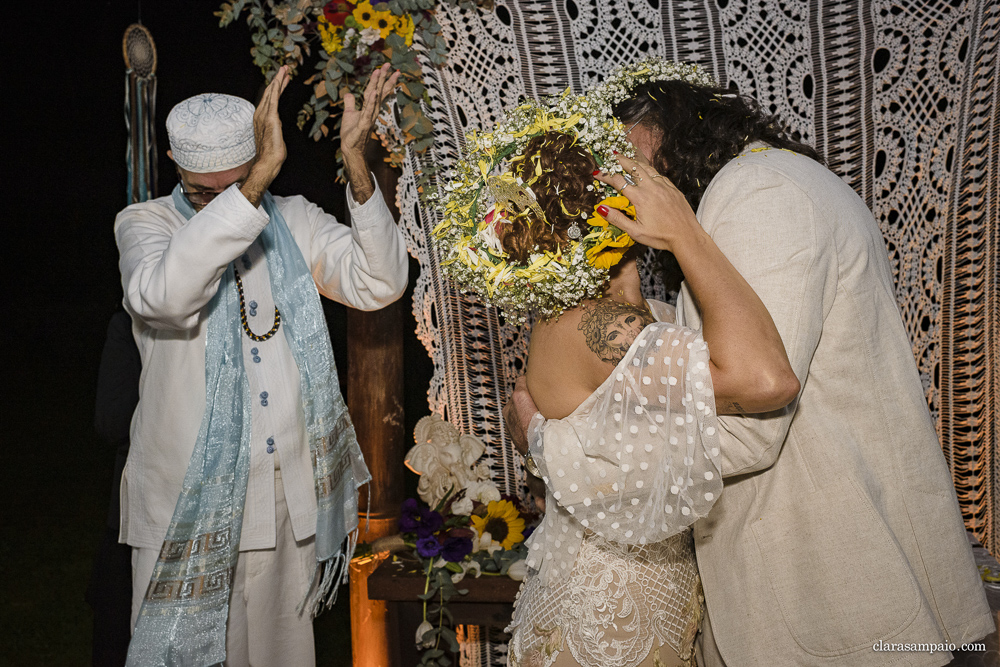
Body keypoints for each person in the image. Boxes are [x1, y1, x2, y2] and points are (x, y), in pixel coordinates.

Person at [507, 69, 994, 666]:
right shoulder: (760, 188)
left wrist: (551, 441)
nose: (621, 191)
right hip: (797, 566)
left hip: (823, 569)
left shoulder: (759, 193)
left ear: (670, 133)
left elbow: (747, 426)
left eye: (629, 163)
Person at [114, 64, 407, 666]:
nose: (225, 202)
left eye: (240, 183)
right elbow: (166, 298)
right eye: (206, 193)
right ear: (173, 160)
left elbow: (381, 281)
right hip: (185, 507)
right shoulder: (145, 224)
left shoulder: (293, 217)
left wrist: (356, 164)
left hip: (283, 502)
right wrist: (248, 194)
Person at [498, 130, 799, 667]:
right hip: (608, 620)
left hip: (644, 603)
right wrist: (685, 233)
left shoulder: (617, 319)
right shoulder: (599, 327)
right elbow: (767, 380)